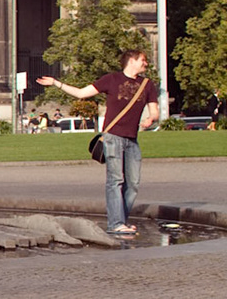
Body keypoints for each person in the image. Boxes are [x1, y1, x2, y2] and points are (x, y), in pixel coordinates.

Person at [38, 47, 159, 238]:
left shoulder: (147, 84)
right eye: (142, 60)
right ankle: (116, 223)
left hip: (132, 139)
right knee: (115, 180)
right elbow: (81, 93)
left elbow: (154, 110)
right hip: (113, 137)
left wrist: (151, 118)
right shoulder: (111, 79)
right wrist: (56, 83)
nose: (146, 63)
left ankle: (121, 220)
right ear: (131, 61)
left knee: (133, 183)